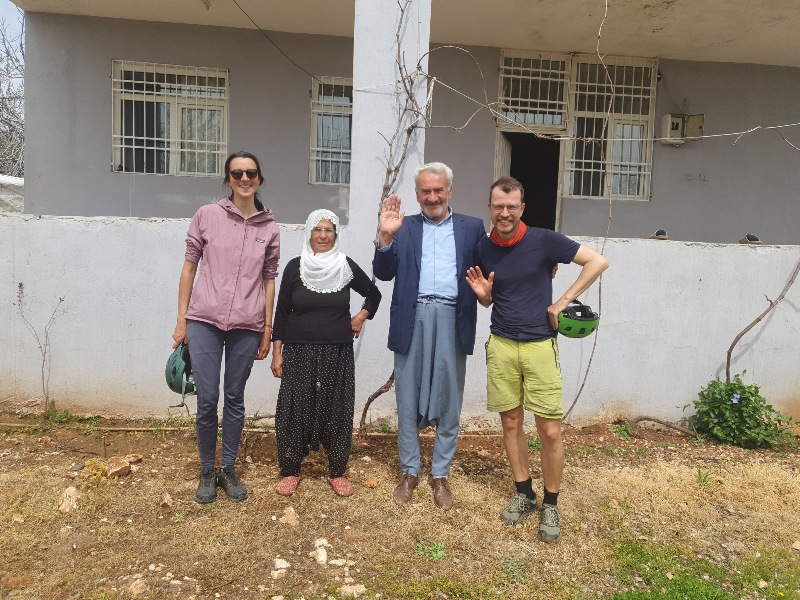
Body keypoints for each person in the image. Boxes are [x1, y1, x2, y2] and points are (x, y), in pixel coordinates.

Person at [467, 176, 608, 542]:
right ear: (490, 208)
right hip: (502, 344)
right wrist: (484, 296)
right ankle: (524, 494)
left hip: (540, 346)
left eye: (511, 207)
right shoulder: (483, 247)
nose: (505, 213)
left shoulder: (544, 240)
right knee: (511, 424)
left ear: (522, 208)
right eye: (499, 206)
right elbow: (492, 297)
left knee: (550, 430)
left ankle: (551, 502)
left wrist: (562, 301)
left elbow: (597, 261)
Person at [373, 162, 486, 510]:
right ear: (418, 194)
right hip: (413, 317)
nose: (433, 197)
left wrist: (543, 264)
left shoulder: (472, 227)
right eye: (426, 191)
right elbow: (383, 272)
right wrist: (385, 237)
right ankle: (410, 471)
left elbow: (496, 261)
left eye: (439, 190)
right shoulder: (403, 226)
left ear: (449, 191)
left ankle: (440, 475)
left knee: (449, 399)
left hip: (453, 317)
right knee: (407, 396)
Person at [172, 151, 280, 504]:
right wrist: (182, 319)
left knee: (234, 398)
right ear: (228, 179)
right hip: (204, 320)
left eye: (251, 173)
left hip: (247, 325)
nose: (244, 179)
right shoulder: (207, 215)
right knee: (207, 398)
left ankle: (228, 468)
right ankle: (207, 470)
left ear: (259, 179)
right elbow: (189, 268)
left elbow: (269, 280)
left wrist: (267, 329)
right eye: (237, 173)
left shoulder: (269, 227)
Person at [271, 209, 381, 497]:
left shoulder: (344, 266)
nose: (323, 235)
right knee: (294, 407)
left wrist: (360, 317)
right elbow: (281, 313)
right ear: (309, 233)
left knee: (337, 407)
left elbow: (374, 294)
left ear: (336, 234)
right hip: (298, 350)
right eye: (317, 229)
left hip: (337, 350)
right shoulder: (295, 267)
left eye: (328, 230)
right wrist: (277, 353)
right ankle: (291, 469)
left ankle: (337, 471)